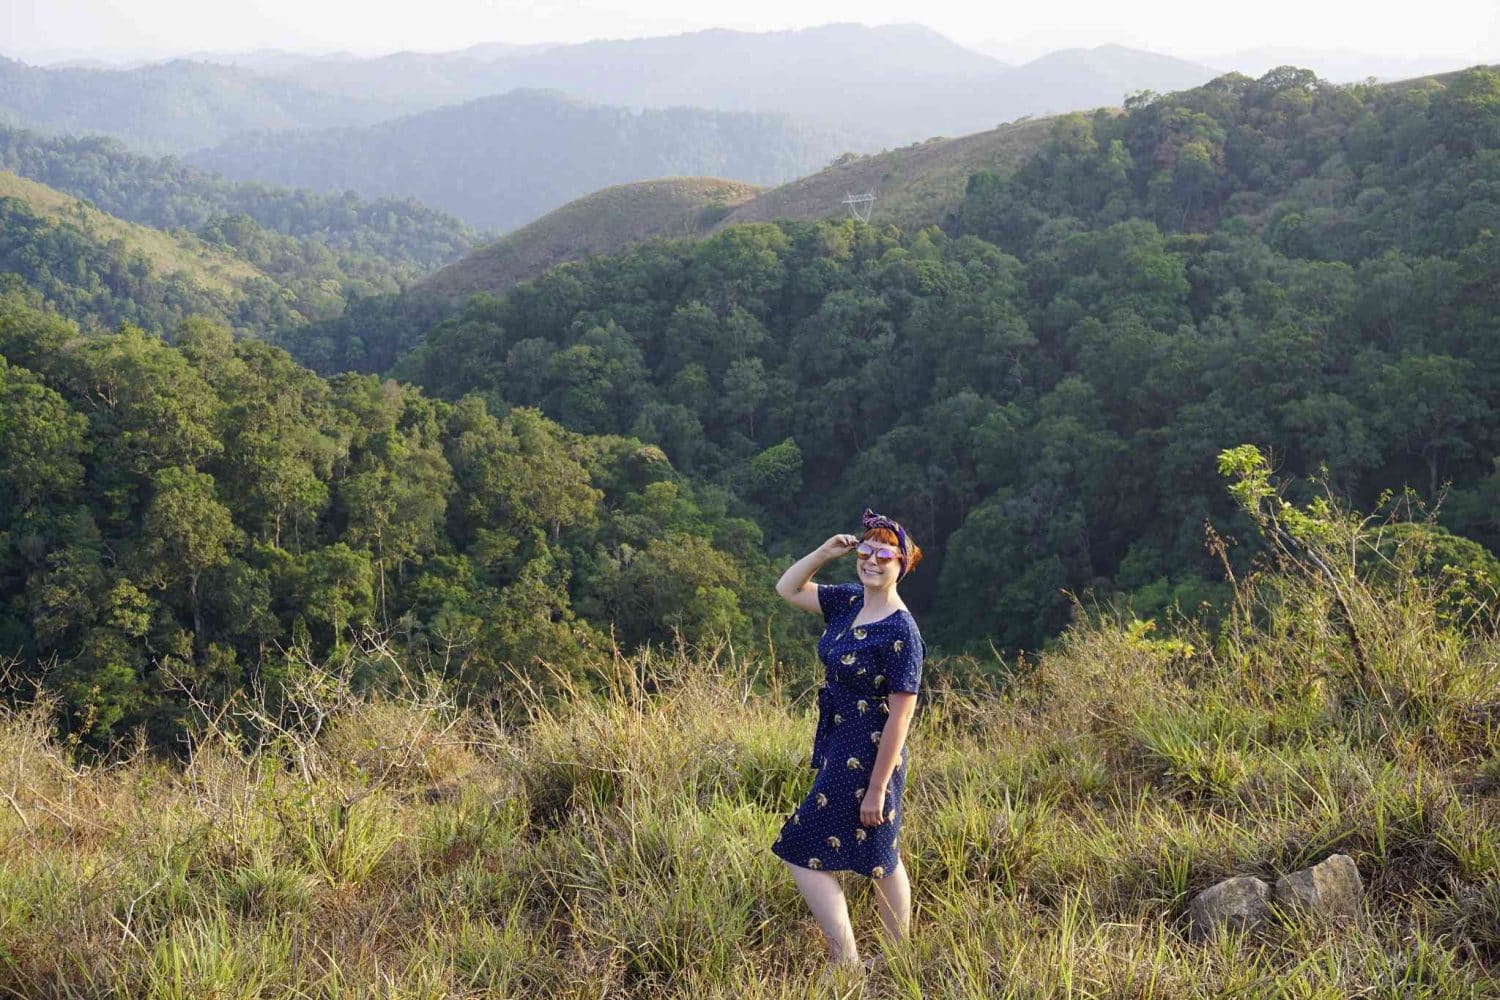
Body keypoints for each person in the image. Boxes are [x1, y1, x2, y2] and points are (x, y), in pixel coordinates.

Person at [770, 507, 926, 977]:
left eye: (885, 555)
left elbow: (901, 715)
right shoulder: (848, 600)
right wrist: (823, 551)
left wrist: (877, 787)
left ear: (903, 565)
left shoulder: (902, 630)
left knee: (803, 847)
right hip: (840, 743)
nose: (872, 561)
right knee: (882, 852)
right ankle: (894, 960)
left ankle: (848, 959)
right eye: (866, 550)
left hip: (872, 754)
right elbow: (788, 589)